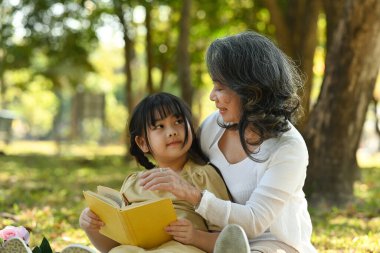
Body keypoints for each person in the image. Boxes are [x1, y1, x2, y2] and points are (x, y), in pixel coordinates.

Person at [139, 31, 317, 253]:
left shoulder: (288, 147)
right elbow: (181, 165)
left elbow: (254, 222)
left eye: (220, 87)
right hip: (211, 239)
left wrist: (193, 195)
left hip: (272, 244)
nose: (212, 96)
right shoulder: (213, 126)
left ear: (251, 91)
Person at [77, 92, 230, 253]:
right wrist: (91, 228)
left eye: (178, 121)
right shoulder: (135, 183)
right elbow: (112, 247)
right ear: (142, 142)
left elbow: (230, 240)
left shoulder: (203, 176)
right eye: (159, 126)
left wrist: (195, 237)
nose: (172, 131)